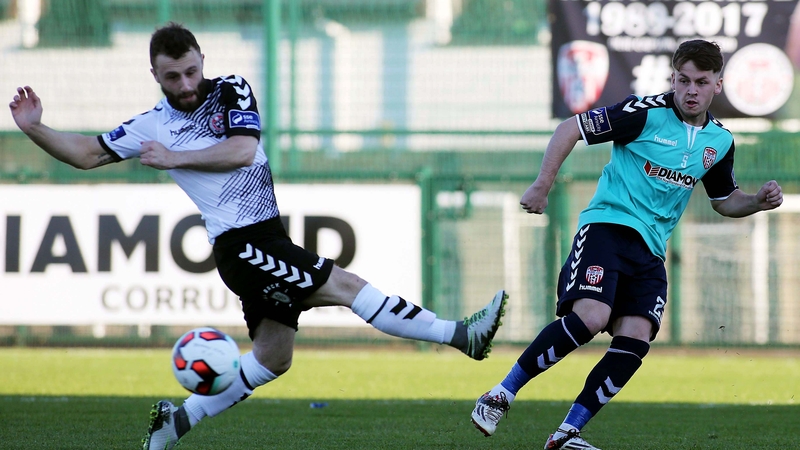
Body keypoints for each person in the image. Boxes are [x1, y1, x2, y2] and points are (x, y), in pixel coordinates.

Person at [8, 22, 508, 450]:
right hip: (242, 246)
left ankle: (177, 422)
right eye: (172, 76)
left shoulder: (231, 90)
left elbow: (243, 150)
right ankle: (462, 336)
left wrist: (174, 158)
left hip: (264, 236)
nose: (184, 83)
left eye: (190, 70)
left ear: (202, 59)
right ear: (155, 75)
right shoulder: (151, 125)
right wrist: (36, 129)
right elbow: (87, 152)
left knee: (273, 357)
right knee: (347, 286)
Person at [469, 39, 783, 450]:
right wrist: (542, 185)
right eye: (683, 80)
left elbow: (724, 201)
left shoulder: (720, 142)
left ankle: (567, 434)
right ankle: (499, 395)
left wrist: (757, 202)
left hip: (651, 250)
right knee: (592, 317)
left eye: (701, 82)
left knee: (636, 337)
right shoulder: (644, 114)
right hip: (607, 228)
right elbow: (570, 129)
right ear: (672, 78)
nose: (690, 90)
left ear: (718, 85)